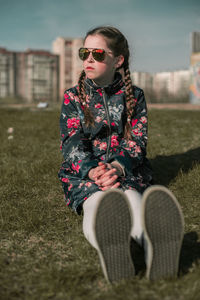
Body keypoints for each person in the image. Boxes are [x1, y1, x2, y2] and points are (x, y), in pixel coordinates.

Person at [58, 26, 184, 283]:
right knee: (96, 204)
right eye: (85, 53)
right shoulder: (72, 97)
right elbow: (72, 141)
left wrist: (117, 166)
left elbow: (137, 141)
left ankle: (154, 246)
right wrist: (93, 170)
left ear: (118, 60)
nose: (89, 59)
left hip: (124, 168)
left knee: (132, 198)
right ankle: (113, 249)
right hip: (86, 173)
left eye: (97, 54)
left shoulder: (134, 96)